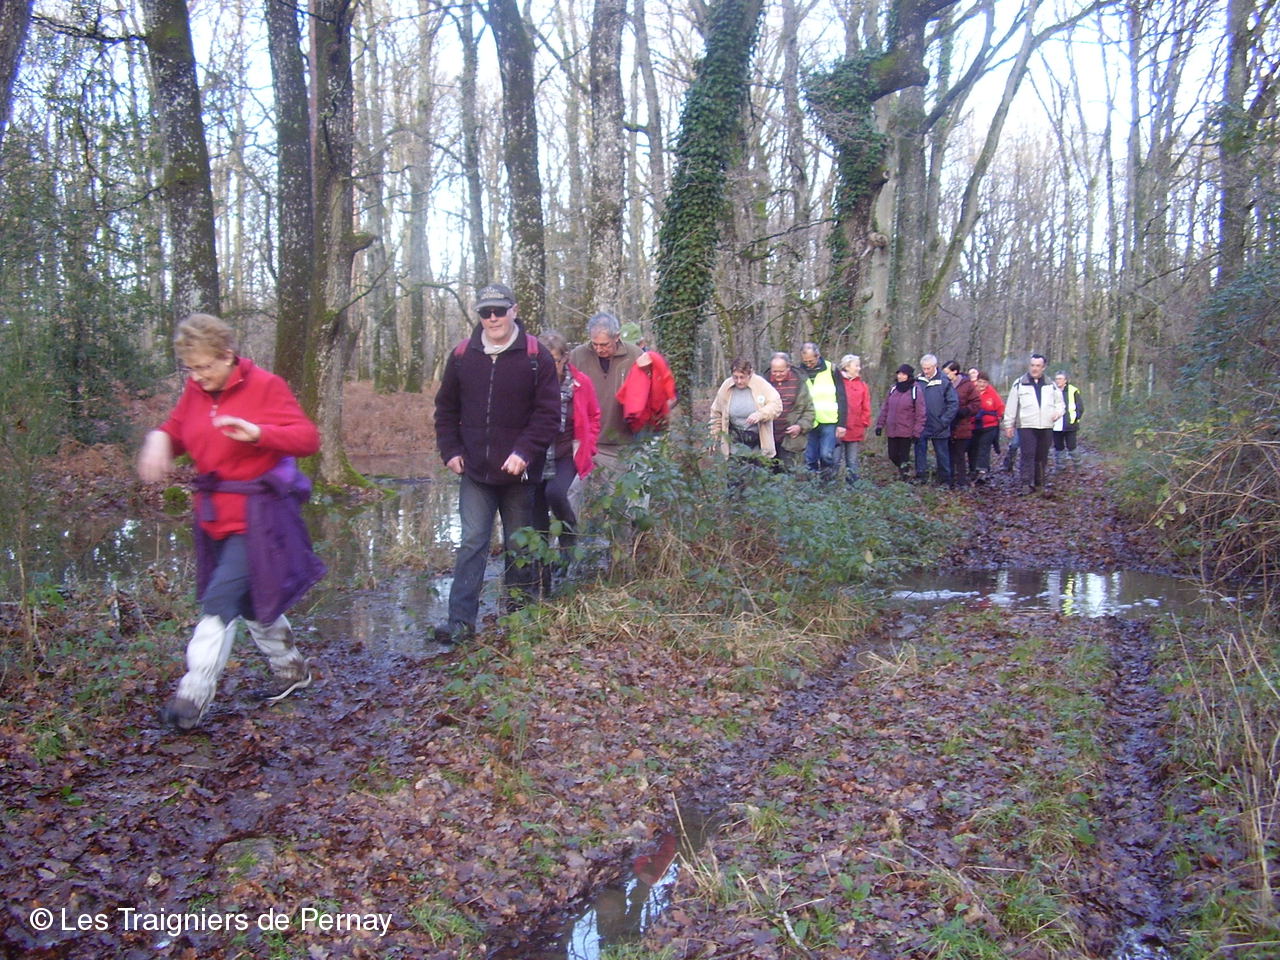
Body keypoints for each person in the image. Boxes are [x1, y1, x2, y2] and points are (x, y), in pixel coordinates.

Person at [137, 313, 325, 732]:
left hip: (260, 517)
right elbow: (178, 429)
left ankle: (192, 697)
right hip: (214, 515)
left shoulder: (266, 386)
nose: (197, 376)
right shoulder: (196, 391)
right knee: (251, 600)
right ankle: (292, 669)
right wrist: (159, 438)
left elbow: (307, 438)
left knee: (219, 603)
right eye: (191, 368)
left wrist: (259, 433)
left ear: (227, 356)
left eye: (205, 366)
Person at [433, 282, 560, 646]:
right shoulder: (463, 355)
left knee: (519, 546)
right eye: (485, 312)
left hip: (519, 473)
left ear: (513, 311)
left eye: (499, 311)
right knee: (472, 541)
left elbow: (548, 415)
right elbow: (446, 409)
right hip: (475, 470)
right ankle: (460, 623)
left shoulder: (536, 356)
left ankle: (519, 619)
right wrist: (450, 450)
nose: (492, 318)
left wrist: (524, 452)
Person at [531, 330, 601, 587]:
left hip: (566, 453)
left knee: (556, 493)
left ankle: (568, 542)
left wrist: (588, 445)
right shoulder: (529, 384)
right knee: (536, 512)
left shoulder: (580, 383)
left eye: (554, 361)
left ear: (565, 359)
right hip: (535, 455)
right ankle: (542, 574)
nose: (549, 367)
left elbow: (594, 416)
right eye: (542, 361)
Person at [568, 312, 671, 483]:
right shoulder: (577, 356)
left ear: (616, 337)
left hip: (620, 443)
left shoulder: (634, 355)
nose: (599, 349)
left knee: (616, 493)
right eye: (595, 344)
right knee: (572, 492)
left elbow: (654, 393)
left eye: (604, 344)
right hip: (585, 440)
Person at [1001, 352, 1065, 493]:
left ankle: (1039, 482)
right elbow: (1011, 406)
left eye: (1038, 366)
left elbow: (1060, 404)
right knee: (1027, 454)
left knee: (1042, 455)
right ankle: (1026, 483)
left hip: (1046, 425)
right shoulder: (1019, 384)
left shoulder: (1051, 385)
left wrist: (1058, 412)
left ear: (1043, 367)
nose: (1034, 368)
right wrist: (1009, 425)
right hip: (1026, 425)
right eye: (1032, 365)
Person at [710, 357, 782, 463]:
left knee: (758, 470)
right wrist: (714, 434)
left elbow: (776, 405)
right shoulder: (726, 387)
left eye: (742, 377)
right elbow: (716, 412)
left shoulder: (761, 385)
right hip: (734, 444)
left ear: (750, 374)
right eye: (735, 377)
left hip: (758, 444)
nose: (739, 381)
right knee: (735, 471)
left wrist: (760, 414)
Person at [798, 342, 846, 479]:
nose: (808, 364)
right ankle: (812, 485)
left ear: (818, 356)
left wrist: (842, 424)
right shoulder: (799, 372)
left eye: (811, 361)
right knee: (810, 457)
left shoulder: (831, 369)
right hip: (808, 421)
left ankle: (828, 481)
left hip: (829, 420)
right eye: (805, 361)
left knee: (826, 455)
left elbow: (842, 397)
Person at [874, 364, 926, 481]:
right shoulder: (893, 389)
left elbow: (920, 413)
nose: (900, 376)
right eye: (899, 374)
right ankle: (905, 471)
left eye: (903, 374)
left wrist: (917, 432)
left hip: (906, 430)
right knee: (892, 455)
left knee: (903, 456)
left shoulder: (915, 390)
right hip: (892, 429)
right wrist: (880, 425)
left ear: (909, 376)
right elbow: (885, 408)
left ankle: (905, 478)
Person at [767, 351, 814, 472]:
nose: (777, 375)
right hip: (767, 437)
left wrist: (800, 426)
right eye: (774, 371)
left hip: (790, 439)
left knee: (789, 473)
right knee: (768, 473)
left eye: (781, 371)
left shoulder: (799, 383)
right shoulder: (763, 382)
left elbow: (809, 410)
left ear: (788, 367)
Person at [914, 354, 957, 485]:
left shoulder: (944, 381)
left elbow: (953, 404)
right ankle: (921, 477)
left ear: (935, 366)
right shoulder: (918, 381)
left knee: (942, 454)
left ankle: (945, 481)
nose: (926, 371)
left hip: (939, 425)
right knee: (920, 452)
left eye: (928, 368)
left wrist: (944, 421)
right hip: (922, 424)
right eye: (924, 368)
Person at [835, 354, 872, 486]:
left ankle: (854, 488)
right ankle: (831, 489)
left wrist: (864, 424)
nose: (859, 368)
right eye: (856, 366)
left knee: (852, 461)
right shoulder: (836, 383)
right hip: (837, 428)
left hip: (855, 429)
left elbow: (866, 407)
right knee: (834, 460)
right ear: (847, 367)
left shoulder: (862, 385)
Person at [943, 361, 980, 488]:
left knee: (959, 454)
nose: (945, 375)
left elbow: (976, 403)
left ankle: (962, 481)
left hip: (962, 423)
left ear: (955, 371)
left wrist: (965, 411)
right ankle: (949, 480)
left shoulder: (967, 385)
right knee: (948, 454)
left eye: (947, 372)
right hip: (946, 424)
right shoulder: (943, 384)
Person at [968, 371, 1005, 482]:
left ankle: (982, 471)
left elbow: (1000, 406)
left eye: (984, 382)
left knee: (984, 447)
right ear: (977, 381)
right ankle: (973, 469)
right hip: (974, 425)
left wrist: (1001, 416)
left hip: (990, 426)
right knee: (973, 448)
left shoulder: (991, 392)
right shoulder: (972, 390)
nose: (982, 384)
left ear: (988, 383)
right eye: (980, 382)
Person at [1052, 371, 1084, 469]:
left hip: (1070, 424)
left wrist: (1075, 418)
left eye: (1060, 379)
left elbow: (1080, 407)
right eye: (1056, 379)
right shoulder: (1051, 390)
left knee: (1072, 446)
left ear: (1065, 380)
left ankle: (1078, 465)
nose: (1058, 381)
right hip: (1055, 425)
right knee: (1058, 447)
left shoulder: (1073, 390)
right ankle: (1060, 467)